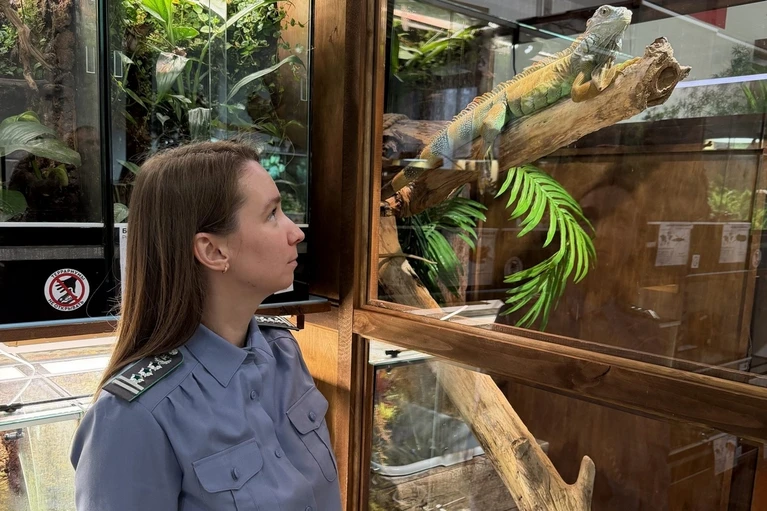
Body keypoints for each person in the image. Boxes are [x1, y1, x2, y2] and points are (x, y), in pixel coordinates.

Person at [70, 140, 342, 511]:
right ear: (213, 251)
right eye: (272, 214)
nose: (296, 232)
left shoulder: (284, 353)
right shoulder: (132, 418)